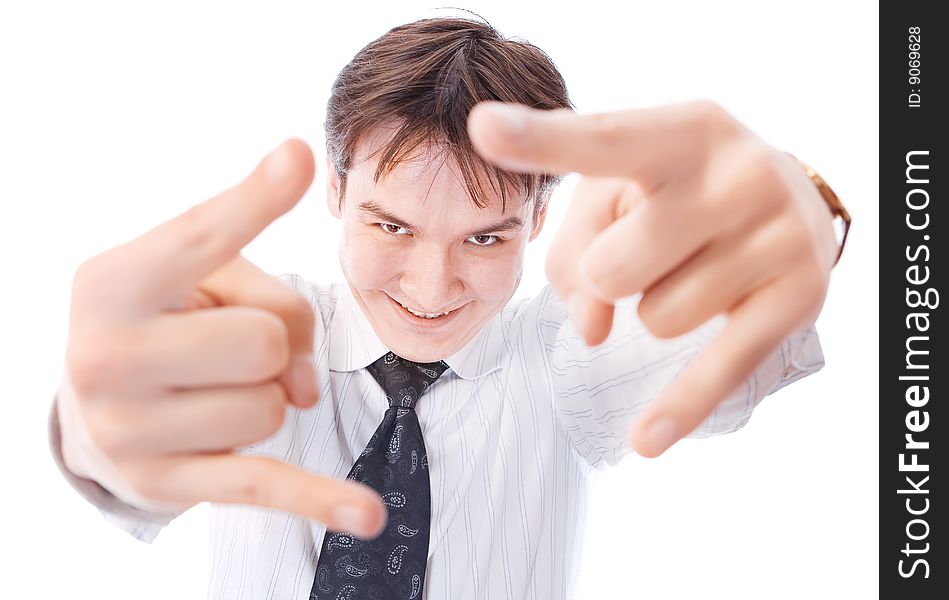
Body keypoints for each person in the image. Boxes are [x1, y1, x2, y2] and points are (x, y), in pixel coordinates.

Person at [48, 16, 843, 600]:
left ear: (537, 221)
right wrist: (92, 437)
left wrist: (797, 218)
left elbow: (736, 323)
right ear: (336, 191)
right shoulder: (265, 335)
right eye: (391, 226)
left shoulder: (567, 359)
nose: (431, 290)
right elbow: (127, 435)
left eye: (486, 241)